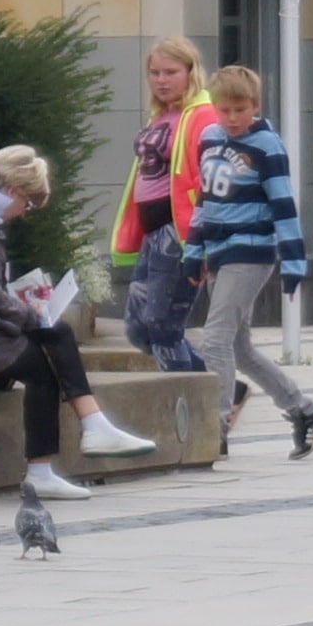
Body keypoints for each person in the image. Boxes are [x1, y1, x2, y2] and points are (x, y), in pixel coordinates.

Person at [0, 144, 157, 501]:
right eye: (28, 204)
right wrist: (31, 315)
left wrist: (26, 309)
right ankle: (60, 453)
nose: (25, 213)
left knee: (53, 335)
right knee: (46, 361)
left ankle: (92, 427)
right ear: (13, 190)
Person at [181, 66, 313, 457]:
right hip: (217, 249)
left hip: (250, 250)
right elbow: (205, 200)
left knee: (214, 338)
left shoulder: (267, 145)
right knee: (238, 346)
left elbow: (284, 204)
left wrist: (294, 262)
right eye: (224, 109)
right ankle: (304, 410)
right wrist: (193, 250)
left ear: (255, 107)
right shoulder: (210, 138)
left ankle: (214, 427)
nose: (231, 118)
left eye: (239, 110)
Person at [110, 36, 210, 374]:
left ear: (190, 72)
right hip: (152, 233)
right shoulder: (161, 116)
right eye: (155, 73)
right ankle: (218, 386)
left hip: (179, 233)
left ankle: (199, 404)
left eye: (171, 72)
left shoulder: (203, 115)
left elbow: (207, 179)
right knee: (139, 329)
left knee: (162, 326)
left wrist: (203, 240)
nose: (161, 80)